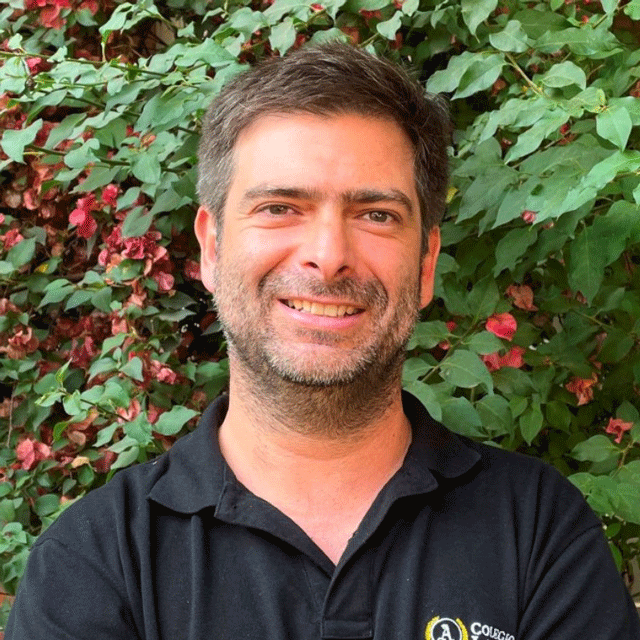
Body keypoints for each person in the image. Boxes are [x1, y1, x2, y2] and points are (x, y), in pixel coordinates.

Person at [6, 43, 640, 640]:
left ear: (425, 264)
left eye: (376, 215)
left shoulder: (539, 530)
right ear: (212, 247)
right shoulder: (95, 561)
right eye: (280, 207)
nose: (328, 255)